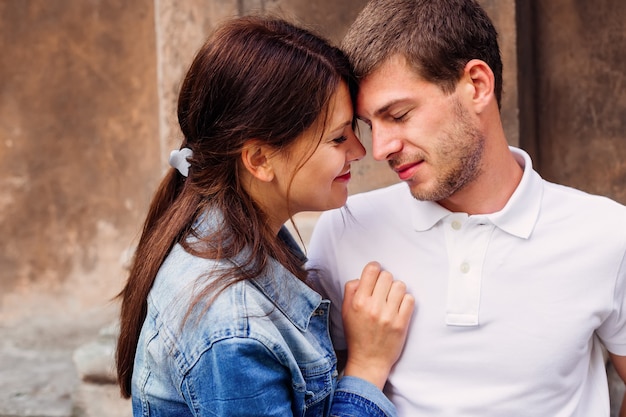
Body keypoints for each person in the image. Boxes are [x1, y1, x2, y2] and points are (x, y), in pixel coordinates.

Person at [307, 0, 626, 415]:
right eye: (371, 125)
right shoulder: (343, 229)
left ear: (476, 84)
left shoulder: (606, 234)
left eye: (399, 115)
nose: (380, 148)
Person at [115, 15, 415, 417]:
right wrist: (367, 368)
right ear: (259, 159)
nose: (361, 153)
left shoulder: (238, 239)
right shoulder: (231, 329)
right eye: (339, 138)